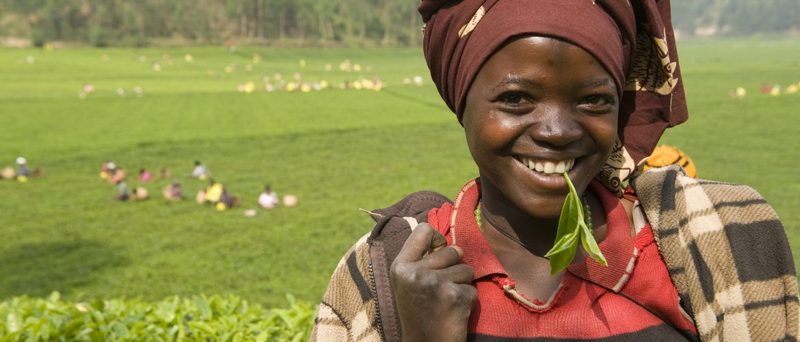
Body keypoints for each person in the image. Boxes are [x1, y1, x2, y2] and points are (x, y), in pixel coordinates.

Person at [311, 1, 798, 341]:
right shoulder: (380, 277)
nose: (558, 131)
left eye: (593, 100)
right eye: (516, 99)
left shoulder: (716, 234)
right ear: (463, 103)